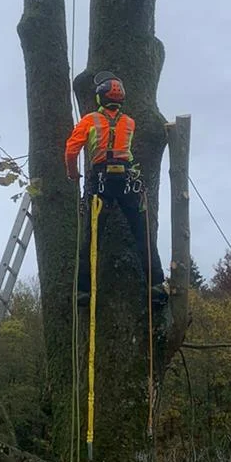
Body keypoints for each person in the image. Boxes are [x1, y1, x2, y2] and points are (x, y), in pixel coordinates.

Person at [65, 74, 166, 308]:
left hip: (100, 181)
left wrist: (73, 173)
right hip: (127, 181)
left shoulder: (90, 120)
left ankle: (83, 290)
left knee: (91, 238)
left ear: (100, 97)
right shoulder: (130, 122)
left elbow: (71, 150)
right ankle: (156, 285)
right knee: (142, 233)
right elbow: (125, 149)